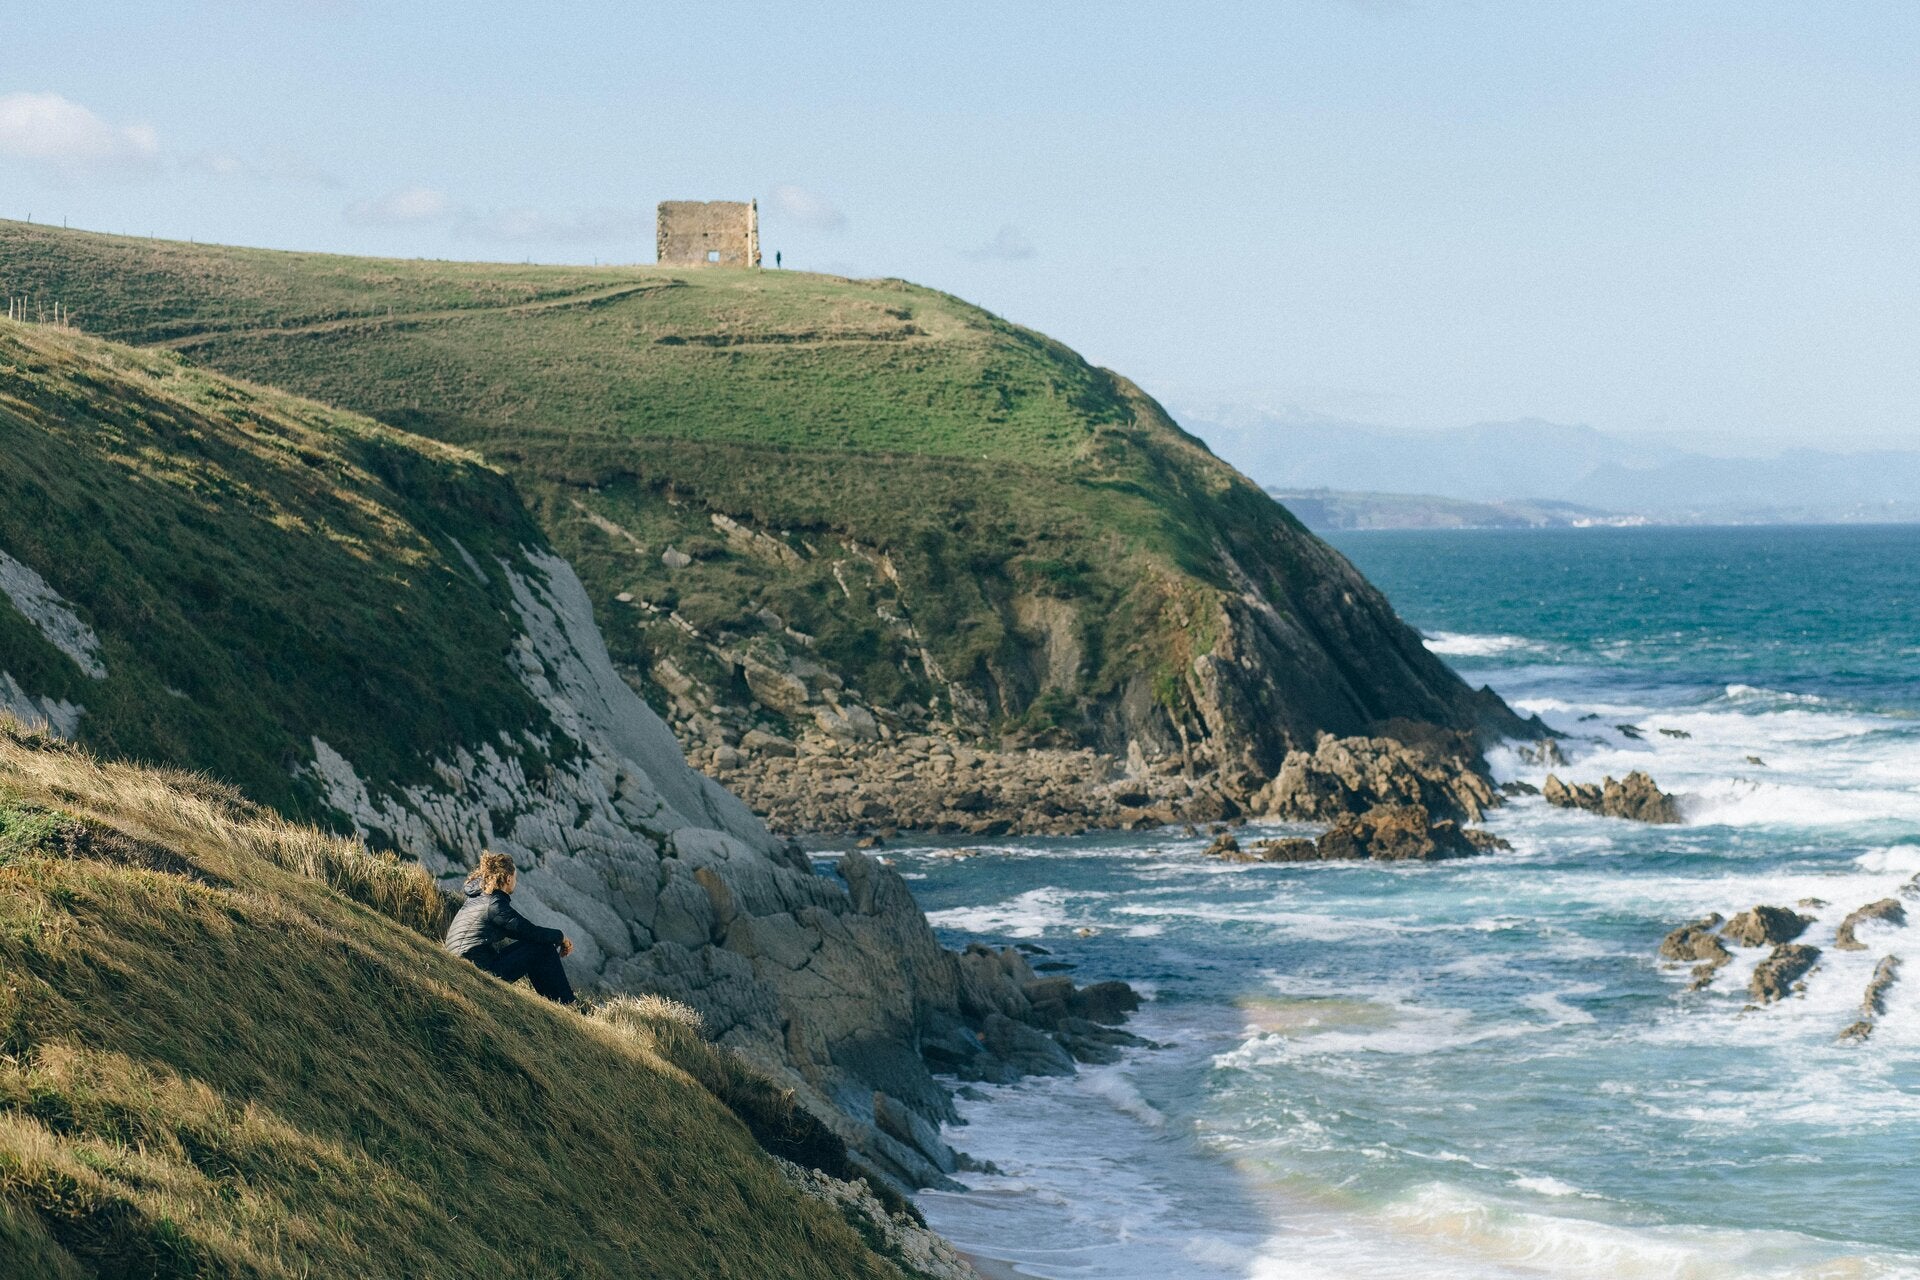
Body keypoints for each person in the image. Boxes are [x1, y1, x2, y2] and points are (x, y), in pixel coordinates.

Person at [444, 851, 577, 1005]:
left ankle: (558, 999)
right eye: (515, 878)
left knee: (535, 946)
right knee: (542, 947)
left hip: (464, 963)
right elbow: (530, 932)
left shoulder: (479, 896)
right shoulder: (495, 906)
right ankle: (568, 1003)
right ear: (508, 879)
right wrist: (561, 937)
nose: (515, 882)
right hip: (476, 972)